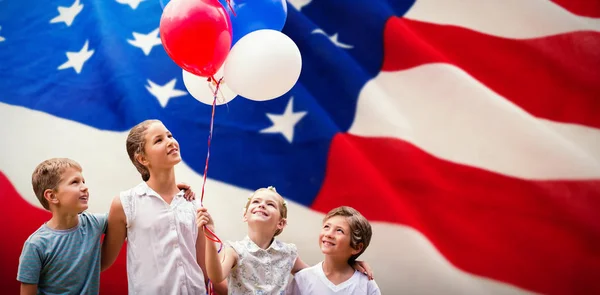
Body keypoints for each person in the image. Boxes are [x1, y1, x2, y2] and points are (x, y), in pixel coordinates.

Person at [100, 119, 227, 294]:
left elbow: (205, 270)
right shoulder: (126, 203)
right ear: (142, 158)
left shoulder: (194, 204)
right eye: (159, 140)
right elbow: (102, 262)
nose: (170, 142)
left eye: (170, 135)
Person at [197, 187, 373, 294]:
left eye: (270, 204)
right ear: (245, 215)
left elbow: (319, 276)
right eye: (256, 201)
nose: (261, 205)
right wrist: (210, 235)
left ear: (281, 223)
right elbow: (216, 275)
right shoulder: (234, 250)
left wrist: (348, 263)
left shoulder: (288, 253)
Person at [17, 158, 106, 295]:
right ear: (52, 196)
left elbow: (123, 215)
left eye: (83, 181)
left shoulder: (94, 223)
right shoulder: (36, 244)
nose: (84, 187)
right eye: (75, 182)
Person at [286, 206, 381, 295]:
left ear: (357, 247)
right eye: (327, 227)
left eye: (339, 230)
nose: (329, 234)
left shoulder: (366, 284)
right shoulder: (302, 278)